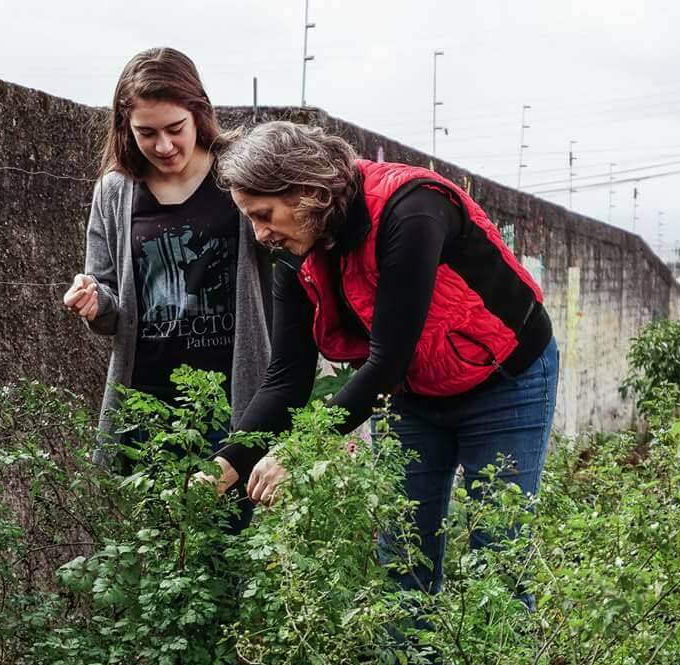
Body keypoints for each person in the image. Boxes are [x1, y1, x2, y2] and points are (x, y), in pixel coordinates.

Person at [210, 121, 559, 596]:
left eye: (264, 213)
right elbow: (286, 376)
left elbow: (387, 362)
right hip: (412, 393)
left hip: (505, 379)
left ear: (308, 192)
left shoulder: (409, 210)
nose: (259, 232)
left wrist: (297, 451)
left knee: (498, 554)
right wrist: (226, 464)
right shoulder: (295, 248)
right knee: (403, 557)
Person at [62, 48, 272, 532]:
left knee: (233, 550)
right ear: (125, 127)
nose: (163, 145)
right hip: (147, 407)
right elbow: (111, 298)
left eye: (174, 128)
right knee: (152, 556)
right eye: (146, 132)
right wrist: (95, 302)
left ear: (199, 112)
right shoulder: (115, 190)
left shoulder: (238, 173)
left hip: (233, 399)